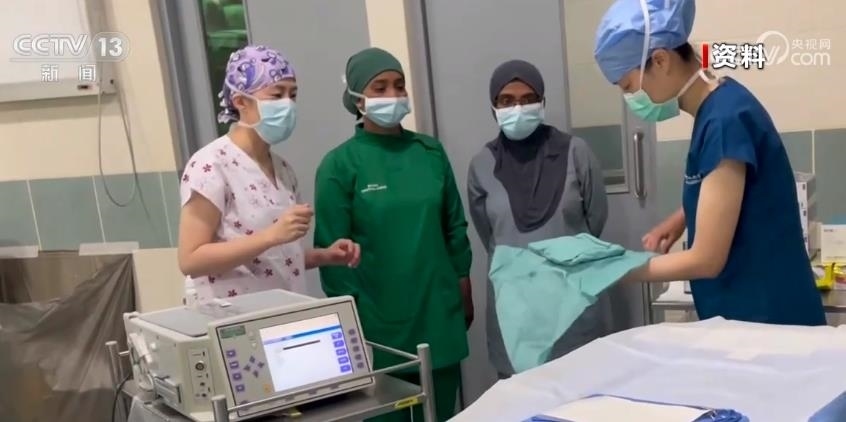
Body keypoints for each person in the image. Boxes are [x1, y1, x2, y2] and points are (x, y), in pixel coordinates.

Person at [594, 0, 825, 325]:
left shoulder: (725, 121)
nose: (631, 99)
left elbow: (707, 259)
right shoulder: (722, 100)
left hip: (769, 321)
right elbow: (731, 190)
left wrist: (615, 269)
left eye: (629, 86)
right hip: (750, 315)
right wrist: (683, 217)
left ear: (660, 60)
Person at [314, 47, 473, 422]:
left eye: (399, 85)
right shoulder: (339, 165)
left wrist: (464, 288)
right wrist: (352, 332)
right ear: (358, 99)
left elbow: (455, 228)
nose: (393, 94)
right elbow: (332, 257)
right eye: (380, 87)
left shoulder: (430, 153)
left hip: (438, 317)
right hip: (378, 327)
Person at [177, 45, 360, 302]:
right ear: (240, 101)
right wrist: (270, 236)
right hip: (235, 316)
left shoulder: (282, 170)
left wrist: (323, 256)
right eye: (277, 94)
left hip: (283, 311)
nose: (288, 104)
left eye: (292, 95)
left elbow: (272, 259)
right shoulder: (210, 165)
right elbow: (190, 259)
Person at [467, 59, 609, 379]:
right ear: (493, 108)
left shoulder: (576, 152)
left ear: (542, 102)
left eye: (528, 99)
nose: (518, 108)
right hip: (515, 309)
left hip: (572, 303)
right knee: (523, 396)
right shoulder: (482, 164)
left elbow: (595, 219)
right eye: (506, 100)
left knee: (583, 391)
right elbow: (489, 234)